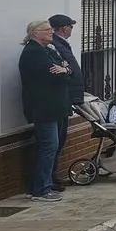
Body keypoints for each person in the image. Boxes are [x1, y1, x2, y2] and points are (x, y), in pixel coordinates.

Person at [18, 20, 72, 202]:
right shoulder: (33, 53)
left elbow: (66, 68)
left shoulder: (47, 50)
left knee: (49, 147)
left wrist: (64, 70)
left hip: (55, 107)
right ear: (35, 33)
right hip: (44, 108)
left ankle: (38, 187)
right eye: (47, 30)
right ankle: (41, 190)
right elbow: (53, 77)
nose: (51, 32)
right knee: (49, 147)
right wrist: (64, 72)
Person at [48, 13, 84, 192]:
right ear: (64, 28)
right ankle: (50, 178)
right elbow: (65, 68)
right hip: (61, 99)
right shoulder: (55, 45)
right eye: (70, 26)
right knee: (54, 141)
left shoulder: (60, 44)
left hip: (66, 99)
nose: (71, 30)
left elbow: (68, 68)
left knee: (59, 139)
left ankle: (52, 176)